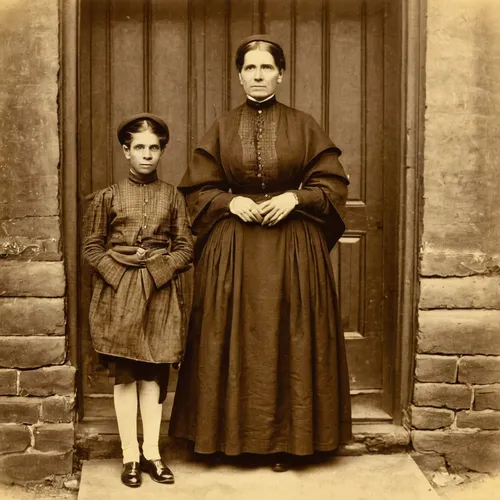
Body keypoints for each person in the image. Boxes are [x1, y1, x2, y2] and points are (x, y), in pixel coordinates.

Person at [169, 34, 352, 472]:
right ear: (238, 75)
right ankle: (225, 439)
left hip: (293, 250)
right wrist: (230, 202)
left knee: (291, 335)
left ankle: (290, 442)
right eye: (249, 68)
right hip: (234, 249)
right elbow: (197, 188)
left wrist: (297, 199)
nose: (257, 75)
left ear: (281, 74)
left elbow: (332, 185)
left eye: (266, 67)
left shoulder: (304, 124)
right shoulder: (222, 126)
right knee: (230, 335)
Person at [82, 113, 194, 487]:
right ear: (126, 151)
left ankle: (153, 453)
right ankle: (130, 456)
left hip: (160, 295)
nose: (147, 155)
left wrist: (159, 270)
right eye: (139, 147)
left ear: (161, 151)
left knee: (154, 373)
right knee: (126, 375)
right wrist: (119, 275)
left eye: (154, 148)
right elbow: (92, 247)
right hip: (119, 297)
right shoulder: (108, 197)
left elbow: (185, 247)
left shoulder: (172, 197)